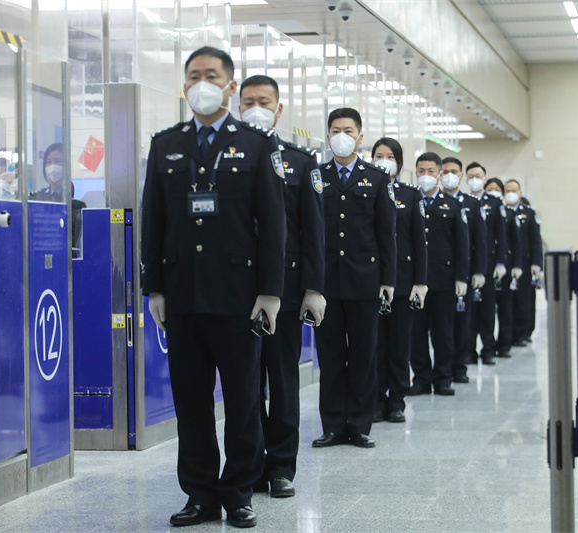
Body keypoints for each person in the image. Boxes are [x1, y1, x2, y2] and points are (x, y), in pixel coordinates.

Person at [141, 46, 286, 528]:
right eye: (193, 76)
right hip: (182, 295)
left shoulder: (257, 144)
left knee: (244, 399)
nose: (201, 83)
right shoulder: (165, 145)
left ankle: (239, 490)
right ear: (184, 85)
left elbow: (273, 224)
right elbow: (153, 220)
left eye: (211, 75)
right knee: (191, 400)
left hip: (238, 297)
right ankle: (200, 493)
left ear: (230, 85)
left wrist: (270, 292)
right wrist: (154, 288)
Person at [238, 74, 325, 499]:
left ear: (279, 109)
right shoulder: (226, 158)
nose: (256, 107)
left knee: (283, 379)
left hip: (287, 291)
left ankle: (281, 467)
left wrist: (313, 288)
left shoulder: (300, 162)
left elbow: (313, 230)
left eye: (264, 101)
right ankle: (251, 465)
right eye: (249, 100)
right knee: (245, 385)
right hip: (237, 291)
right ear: (238, 105)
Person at [312, 107, 396, 449]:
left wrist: (388, 281)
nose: (340, 136)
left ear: (360, 137)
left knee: (364, 357)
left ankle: (360, 424)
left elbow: (386, 234)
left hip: (365, 281)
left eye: (347, 130)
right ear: (328, 135)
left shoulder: (376, 178)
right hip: (326, 283)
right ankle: (332, 425)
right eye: (334, 130)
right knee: (330, 357)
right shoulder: (315, 176)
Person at [372, 137, 427, 423]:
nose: (384, 160)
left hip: (403, 284)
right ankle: (377, 400)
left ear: (399, 162)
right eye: (378, 155)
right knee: (375, 346)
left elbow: (419, 243)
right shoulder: (365, 190)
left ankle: (396, 401)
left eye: (389, 156)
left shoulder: (411, 194)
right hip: (372, 281)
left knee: (398, 345)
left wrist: (421, 281)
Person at [408, 152, 468, 397]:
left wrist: (461, 277)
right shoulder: (409, 200)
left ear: (440, 174)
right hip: (414, 280)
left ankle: (443, 377)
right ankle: (421, 378)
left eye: (430, 171)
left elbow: (462, 245)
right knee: (417, 332)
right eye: (421, 171)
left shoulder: (453, 205)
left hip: (443, 280)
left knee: (444, 331)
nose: (425, 176)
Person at [440, 157, 487, 383]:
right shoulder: (430, 201)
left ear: (461, 176)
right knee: (440, 326)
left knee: (461, 324)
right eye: (445, 171)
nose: (449, 175)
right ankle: (439, 369)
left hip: (463, 274)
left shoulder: (472, 204)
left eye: (454, 171)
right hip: (438, 274)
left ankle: (459, 366)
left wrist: (478, 271)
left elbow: (480, 241)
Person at [465, 162, 506, 365]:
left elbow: (502, 235)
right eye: (470, 176)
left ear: (485, 177)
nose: (474, 179)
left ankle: (488, 349)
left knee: (488, 310)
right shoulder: (462, 202)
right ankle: (469, 350)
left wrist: (500, 262)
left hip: (488, 265)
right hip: (468, 264)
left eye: (478, 176)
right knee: (469, 311)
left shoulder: (494, 203)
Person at [484, 177, 523, 358]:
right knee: (488, 311)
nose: (493, 191)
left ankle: (504, 344)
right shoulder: (483, 211)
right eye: (489, 188)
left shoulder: (509, 213)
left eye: (496, 189)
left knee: (506, 309)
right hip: (489, 268)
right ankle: (488, 345)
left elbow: (516, 243)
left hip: (505, 268)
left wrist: (516, 265)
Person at [504, 179, 543, 346]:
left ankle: (524, 332)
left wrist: (537, 263)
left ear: (520, 193)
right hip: (507, 264)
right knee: (508, 302)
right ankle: (509, 333)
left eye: (514, 190)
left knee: (524, 300)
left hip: (526, 264)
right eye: (507, 190)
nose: (511, 193)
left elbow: (536, 240)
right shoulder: (502, 212)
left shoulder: (528, 213)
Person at [31, 143, 86, 258]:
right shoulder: (36, 199)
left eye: (57, 161)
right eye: (48, 162)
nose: (52, 166)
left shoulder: (77, 206)